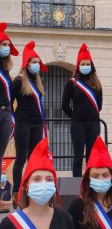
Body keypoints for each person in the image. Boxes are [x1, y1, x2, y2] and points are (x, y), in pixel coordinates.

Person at [0, 138, 74, 228]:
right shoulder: (9, 224)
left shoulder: (66, 220)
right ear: (26, 185)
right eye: (37, 179)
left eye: (49, 179)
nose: (43, 184)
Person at [68, 136, 112, 229]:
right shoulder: (78, 205)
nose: (101, 179)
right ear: (88, 178)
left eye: (105, 175)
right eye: (95, 176)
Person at [12, 41, 48, 203]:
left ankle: (32, 189)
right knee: (20, 159)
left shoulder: (37, 81)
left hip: (37, 124)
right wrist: (13, 120)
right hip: (23, 123)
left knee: (34, 159)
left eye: (38, 62)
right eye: (33, 62)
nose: (36, 65)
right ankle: (16, 193)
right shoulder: (19, 81)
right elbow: (8, 102)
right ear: (26, 64)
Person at [62, 43, 103, 177]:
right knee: (78, 157)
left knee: (92, 157)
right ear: (78, 66)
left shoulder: (97, 83)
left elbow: (99, 105)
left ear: (91, 66)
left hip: (94, 124)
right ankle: (77, 185)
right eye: (83, 64)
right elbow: (65, 105)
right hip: (77, 124)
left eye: (88, 64)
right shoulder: (72, 83)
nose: (86, 67)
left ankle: (90, 183)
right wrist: (75, 116)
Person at [0, 22, 18, 193]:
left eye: (7, 45)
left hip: (6, 113)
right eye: (3, 44)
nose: (6, 48)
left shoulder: (6, 71)